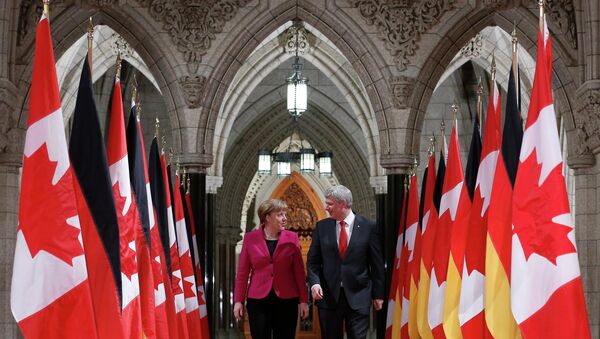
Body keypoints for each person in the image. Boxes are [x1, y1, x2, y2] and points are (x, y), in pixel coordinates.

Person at [307, 185, 385, 339]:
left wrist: (378, 294)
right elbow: (313, 261)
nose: (326, 207)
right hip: (328, 298)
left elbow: (377, 264)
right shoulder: (322, 227)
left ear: (342, 204)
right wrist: (315, 283)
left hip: (359, 295)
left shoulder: (368, 227)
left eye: (329, 204)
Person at [233, 198, 309, 339]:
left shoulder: (292, 238)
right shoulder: (250, 238)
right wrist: (238, 301)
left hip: (287, 300)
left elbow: (299, 272)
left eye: (285, 214)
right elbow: (243, 273)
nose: (285, 218)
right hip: (258, 301)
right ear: (267, 217)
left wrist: (304, 301)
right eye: (280, 215)